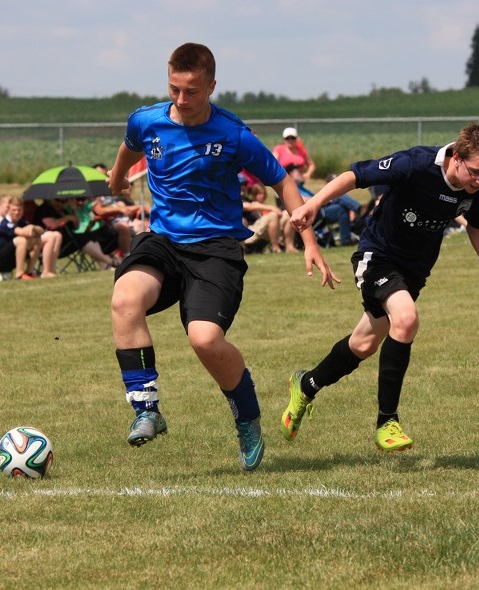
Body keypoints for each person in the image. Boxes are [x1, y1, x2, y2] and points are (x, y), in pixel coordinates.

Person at [107, 42, 338, 472]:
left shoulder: (233, 135)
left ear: (212, 85)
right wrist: (118, 179)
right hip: (164, 241)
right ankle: (146, 409)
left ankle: (247, 418)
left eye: (192, 91)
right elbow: (130, 145)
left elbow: (283, 184)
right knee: (124, 299)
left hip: (216, 250)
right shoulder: (147, 120)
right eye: (174, 88)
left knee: (205, 340)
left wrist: (308, 242)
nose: (181, 99)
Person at [281, 121, 479, 452]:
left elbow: (478, 227)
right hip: (376, 257)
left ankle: (306, 385)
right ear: (457, 156)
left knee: (363, 345)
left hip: (414, 272)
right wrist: (313, 203)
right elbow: (356, 175)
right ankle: (387, 422)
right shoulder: (417, 164)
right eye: (477, 172)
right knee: (406, 318)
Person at [0, 196, 61, 280]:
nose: (16, 212)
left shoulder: (20, 221)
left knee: (37, 239)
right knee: (21, 240)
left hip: (10, 258)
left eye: (19, 210)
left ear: (23, 210)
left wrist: (32, 226)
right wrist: (30, 228)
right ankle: (19, 274)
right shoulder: (4, 224)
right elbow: (22, 232)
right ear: (9, 210)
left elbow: (41, 231)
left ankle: (29, 272)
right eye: (14, 210)